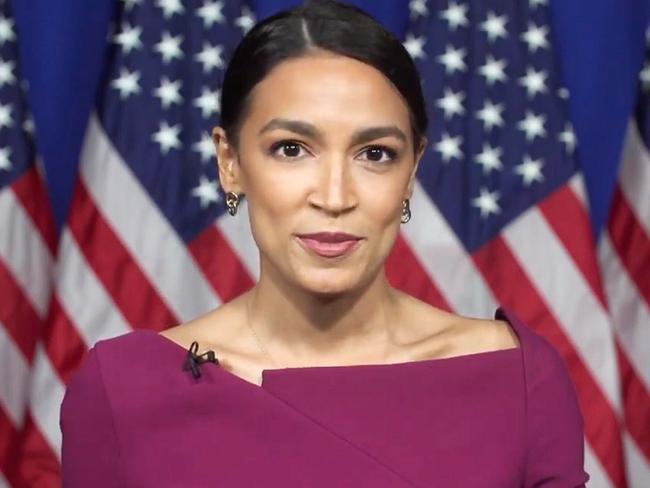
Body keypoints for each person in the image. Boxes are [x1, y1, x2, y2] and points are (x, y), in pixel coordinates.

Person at [59, 0, 590, 486]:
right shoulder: (125, 393)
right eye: (291, 149)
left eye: (375, 154)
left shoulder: (517, 382)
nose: (334, 196)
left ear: (411, 172)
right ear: (230, 162)